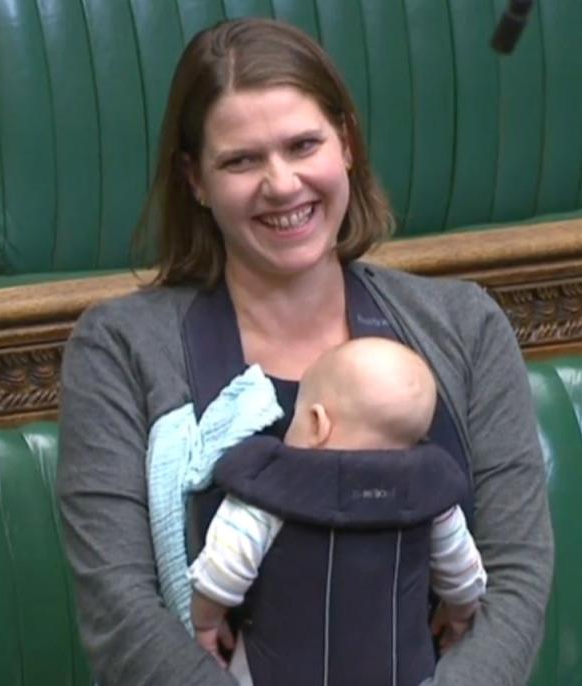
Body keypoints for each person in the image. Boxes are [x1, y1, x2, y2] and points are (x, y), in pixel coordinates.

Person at [57, 16, 553, 686]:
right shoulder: (119, 348)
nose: (283, 184)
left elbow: (515, 579)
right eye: (241, 160)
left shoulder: (465, 326)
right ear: (195, 180)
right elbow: (122, 611)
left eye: (302, 145)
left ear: (346, 143)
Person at [189, 338, 488, 684]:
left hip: (274, 671)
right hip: (400, 672)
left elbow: (220, 572)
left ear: (317, 423)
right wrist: (460, 615)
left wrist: (206, 623)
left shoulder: (272, 487)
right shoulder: (430, 495)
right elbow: (464, 577)